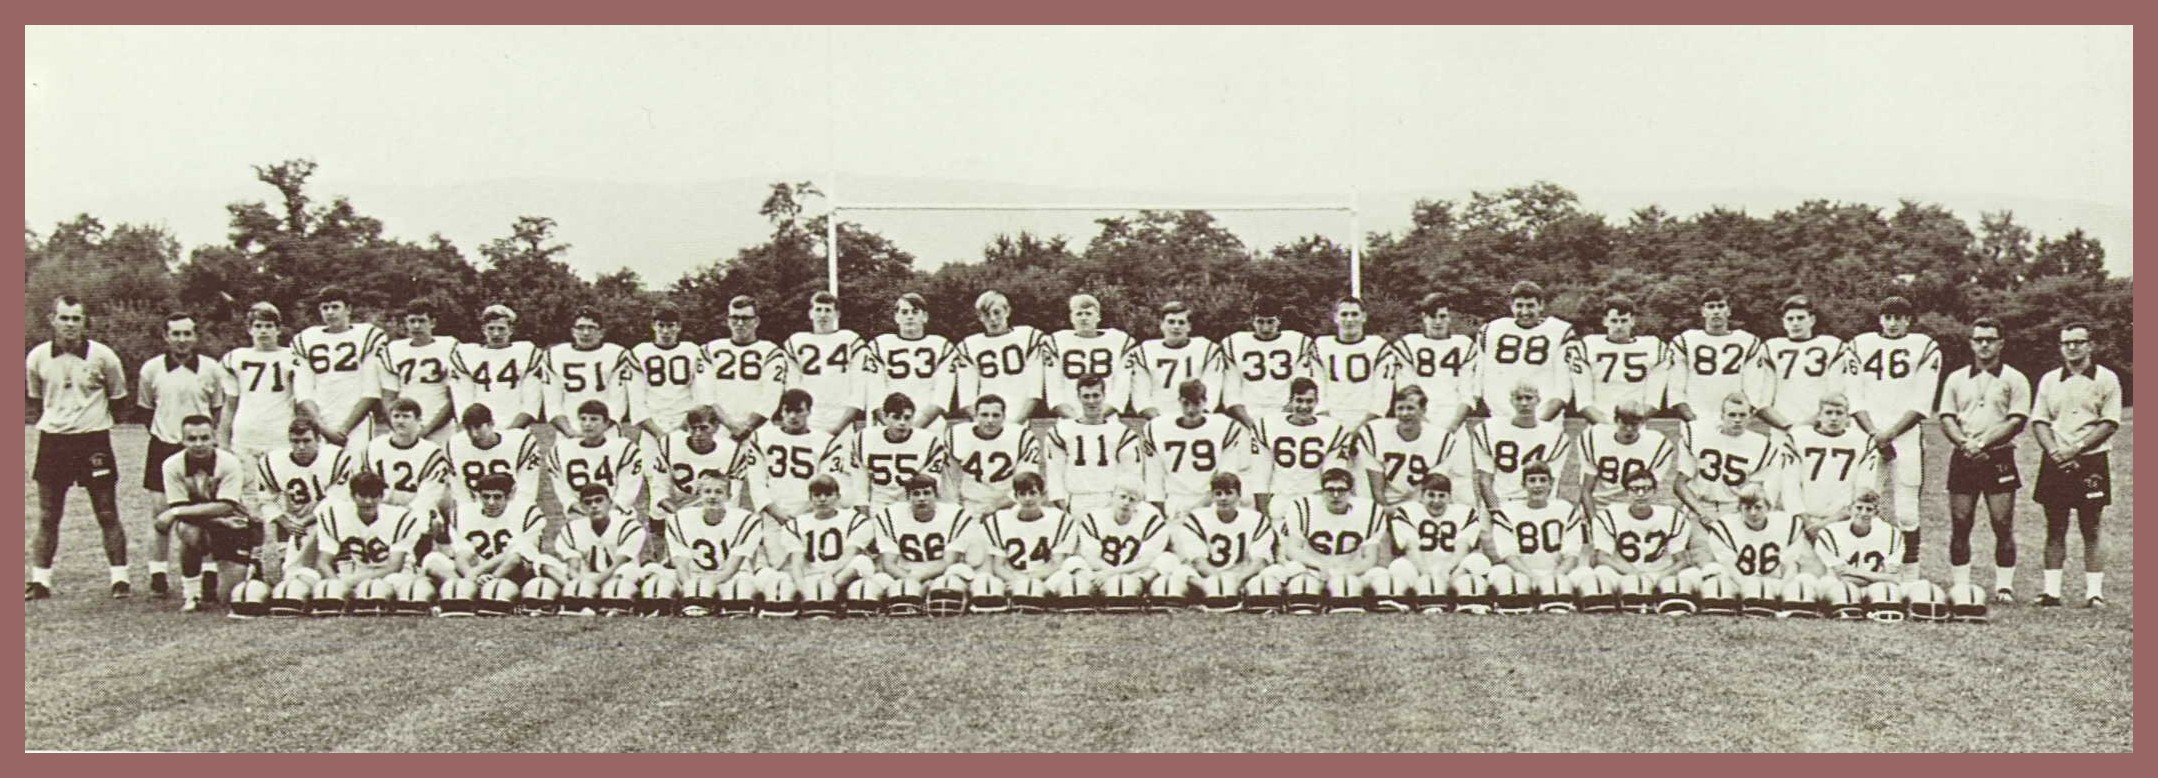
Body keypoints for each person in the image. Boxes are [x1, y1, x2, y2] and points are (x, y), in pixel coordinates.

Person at [26, 295, 133, 600]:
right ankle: (40, 581)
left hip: (92, 440)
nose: (70, 324)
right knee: (49, 515)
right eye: (64, 318)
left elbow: (118, 399)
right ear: (52, 320)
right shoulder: (37, 357)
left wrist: (91, 421)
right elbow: (36, 400)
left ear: (85, 322)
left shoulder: (104, 356)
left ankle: (120, 579)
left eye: (76, 318)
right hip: (54, 441)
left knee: (107, 512)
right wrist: (60, 421)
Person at [1936, 317, 2032, 602]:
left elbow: (2017, 420)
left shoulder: (2015, 378)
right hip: (1964, 455)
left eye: (1990, 339)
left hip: (1998, 455)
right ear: (1971, 343)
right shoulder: (1956, 378)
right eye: (1979, 339)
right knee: (1961, 522)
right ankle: (1961, 584)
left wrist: (1982, 443)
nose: (1984, 344)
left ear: (2001, 343)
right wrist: (1965, 443)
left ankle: (2004, 587)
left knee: (2001, 522)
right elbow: (1946, 417)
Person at [2029, 320, 2123, 608]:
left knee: (2091, 526)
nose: (2072, 347)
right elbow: (2040, 420)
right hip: (2055, 459)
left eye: (2078, 342)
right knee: (2055, 527)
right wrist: (2055, 451)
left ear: (2090, 345)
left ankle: (2094, 593)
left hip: (2091, 460)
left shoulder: (2106, 379)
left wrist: (2077, 449)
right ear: (2060, 347)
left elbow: (2110, 422)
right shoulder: (2049, 380)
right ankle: (2051, 593)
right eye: (2066, 343)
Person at [1845, 295, 1942, 565]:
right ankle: (1862, 566)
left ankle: (1910, 573)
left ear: (1908, 320)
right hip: (1867, 434)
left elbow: (1922, 401)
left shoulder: (1924, 346)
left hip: (1906, 435)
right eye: (1888, 317)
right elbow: (1854, 397)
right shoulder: (1860, 344)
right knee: (1862, 505)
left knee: (1907, 512)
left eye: (1898, 317)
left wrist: (1889, 434)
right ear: (1880, 319)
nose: (1892, 323)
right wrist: (1875, 433)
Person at [137, 310, 226, 595]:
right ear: (166, 336)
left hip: (201, 446)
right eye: (175, 333)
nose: (182, 339)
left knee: (205, 513)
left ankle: (209, 572)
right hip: (164, 445)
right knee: (161, 512)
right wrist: (167, 433)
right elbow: (146, 409)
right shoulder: (151, 369)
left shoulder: (211, 368)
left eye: (187, 333)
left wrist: (204, 440)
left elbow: (217, 409)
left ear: (195, 336)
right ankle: (158, 575)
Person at [154, 415, 259, 614]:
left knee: (228, 598)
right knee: (188, 531)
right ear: (182, 441)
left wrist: (173, 512)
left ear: (214, 438)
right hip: (211, 523)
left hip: (233, 525)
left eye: (204, 438)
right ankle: (192, 594)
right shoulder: (171, 465)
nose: (198, 444)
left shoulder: (229, 462)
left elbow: (226, 506)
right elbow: (183, 510)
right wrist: (213, 518)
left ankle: (251, 569)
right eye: (191, 439)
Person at [291, 471, 428, 615]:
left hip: (390, 577)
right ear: (352, 496)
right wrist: (337, 583)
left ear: (382, 496)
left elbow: (393, 567)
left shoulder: (401, 518)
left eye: (374, 496)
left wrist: (349, 583)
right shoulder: (335, 515)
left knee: (395, 588)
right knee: (305, 579)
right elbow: (323, 562)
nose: (368, 501)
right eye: (362, 495)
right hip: (352, 573)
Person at [421, 473, 546, 615]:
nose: (491, 502)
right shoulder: (463, 513)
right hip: (476, 571)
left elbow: (514, 557)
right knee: (433, 560)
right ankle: (467, 591)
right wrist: (471, 576)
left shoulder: (527, 513)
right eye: (486, 497)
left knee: (517, 558)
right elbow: (463, 555)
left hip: (511, 571)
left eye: (497, 497)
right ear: (478, 495)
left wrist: (479, 575)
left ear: (509, 495)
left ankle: (468, 593)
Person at [252, 417, 355, 583]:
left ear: (318, 439)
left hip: (331, 521)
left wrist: (306, 521)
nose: (301, 447)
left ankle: (339, 564)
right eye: (295, 441)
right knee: (293, 579)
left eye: (307, 441)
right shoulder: (273, 462)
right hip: (296, 521)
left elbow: (337, 500)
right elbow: (270, 499)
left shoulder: (336, 458)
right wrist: (285, 520)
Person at [1276, 468, 1392, 613]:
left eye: (1341, 490)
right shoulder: (1304, 508)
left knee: (1381, 574)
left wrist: (1345, 571)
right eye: (1330, 490)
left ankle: (1358, 597)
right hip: (1313, 567)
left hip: (1351, 568)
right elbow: (1292, 549)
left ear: (1351, 492)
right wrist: (1319, 565)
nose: (1336, 495)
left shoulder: (1369, 511)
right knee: (1290, 569)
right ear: (1322, 491)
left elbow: (1370, 558)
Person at [1701, 484, 1827, 616]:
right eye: (1747, 508)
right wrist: (1747, 588)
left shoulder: (1785, 524)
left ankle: (1789, 603)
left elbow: (1791, 565)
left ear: (1768, 507)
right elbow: (1729, 566)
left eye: (1758, 507)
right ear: (1739, 509)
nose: (1753, 513)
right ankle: (1725, 603)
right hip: (1741, 582)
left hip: (1776, 582)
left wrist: (1782, 588)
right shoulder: (1726, 526)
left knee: (1806, 578)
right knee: (1712, 570)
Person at [1165, 472, 1284, 612]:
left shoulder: (1255, 519)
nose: (1223, 498)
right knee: (1179, 570)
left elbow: (1260, 560)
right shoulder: (1198, 518)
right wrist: (1218, 579)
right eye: (1218, 493)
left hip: (1242, 575)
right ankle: (1208, 592)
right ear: (1212, 496)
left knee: (1276, 570)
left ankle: (1241, 594)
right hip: (1208, 575)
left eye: (1229, 493)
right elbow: (1198, 561)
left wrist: (1238, 580)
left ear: (1239, 495)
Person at [661, 470, 774, 617]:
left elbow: (730, 570)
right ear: (700, 494)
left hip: (732, 577)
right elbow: (681, 565)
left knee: (739, 591)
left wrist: (704, 587)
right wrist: (691, 587)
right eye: (707, 491)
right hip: (693, 576)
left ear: (729, 496)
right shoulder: (681, 519)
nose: (712, 496)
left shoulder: (745, 520)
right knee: (658, 584)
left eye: (719, 492)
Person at [1482, 460, 1590, 612]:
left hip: (1558, 571)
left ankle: (1557, 595)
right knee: (1499, 572)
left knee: (1586, 573)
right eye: (1532, 480)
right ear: (1523, 485)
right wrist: (1533, 577)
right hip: (1521, 572)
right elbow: (1509, 556)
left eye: (1543, 480)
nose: (1538, 485)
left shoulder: (1565, 509)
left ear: (1551, 484)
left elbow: (1572, 555)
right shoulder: (1508, 511)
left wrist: (1552, 577)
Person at [1584, 470, 1700, 608]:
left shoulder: (1671, 516)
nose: (1640, 494)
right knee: (1602, 572)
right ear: (1627, 492)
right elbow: (1602, 557)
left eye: (1646, 488)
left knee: (1693, 574)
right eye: (1635, 489)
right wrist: (1634, 573)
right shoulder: (1609, 515)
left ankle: (1671, 597)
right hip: (1624, 572)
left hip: (1661, 572)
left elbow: (1681, 560)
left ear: (1654, 491)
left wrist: (1659, 576)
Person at [539, 483, 659, 616]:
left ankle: (581, 596)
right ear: (582, 507)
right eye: (588, 502)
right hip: (587, 575)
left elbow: (617, 565)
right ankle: (579, 594)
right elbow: (573, 567)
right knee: (544, 562)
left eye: (599, 500)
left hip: (619, 575)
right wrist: (579, 582)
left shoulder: (629, 526)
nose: (594, 506)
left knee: (629, 569)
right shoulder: (572, 529)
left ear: (610, 502)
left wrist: (590, 584)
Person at [972, 471, 1084, 613]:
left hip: (1047, 576)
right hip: (1013, 576)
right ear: (1015, 496)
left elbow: (1056, 563)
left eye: (1033, 493)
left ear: (1042, 495)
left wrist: (1030, 579)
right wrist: (1017, 580)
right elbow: (998, 565)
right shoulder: (1001, 520)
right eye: (1022, 494)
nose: (1028, 498)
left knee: (1070, 572)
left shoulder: (1059, 520)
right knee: (985, 579)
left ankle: (1045, 596)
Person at [291, 286, 389, 447]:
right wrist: (322, 427)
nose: (330, 312)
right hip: (321, 421)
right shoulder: (307, 338)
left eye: (335, 307)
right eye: (325, 308)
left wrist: (344, 429)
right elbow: (303, 392)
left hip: (357, 422)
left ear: (348, 309)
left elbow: (371, 391)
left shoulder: (367, 336)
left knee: (358, 462)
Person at [865, 474, 977, 616]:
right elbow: (889, 563)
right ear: (908, 498)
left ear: (936, 496)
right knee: (876, 583)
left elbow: (949, 561)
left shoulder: (955, 514)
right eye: (916, 494)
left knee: (955, 575)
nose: (922, 498)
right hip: (905, 571)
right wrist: (912, 580)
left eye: (927, 493)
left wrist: (917, 579)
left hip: (941, 571)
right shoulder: (891, 516)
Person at [1143, 379, 1254, 518]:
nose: (1190, 409)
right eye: (1186, 403)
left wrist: (1201, 508)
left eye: (1196, 403)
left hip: (1212, 501)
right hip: (1175, 502)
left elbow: (1225, 477)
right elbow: (1154, 480)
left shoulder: (1224, 427)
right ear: (1179, 401)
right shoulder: (1158, 429)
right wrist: (1160, 515)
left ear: (1205, 401)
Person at [772, 474, 878, 617]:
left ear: (838, 496)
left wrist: (830, 575)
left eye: (828, 494)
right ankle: (817, 597)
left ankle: (831, 594)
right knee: (778, 574)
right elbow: (797, 562)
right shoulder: (796, 524)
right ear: (810, 498)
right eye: (817, 495)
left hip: (840, 575)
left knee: (862, 561)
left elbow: (850, 553)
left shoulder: (855, 520)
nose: (822, 499)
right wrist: (801, 586)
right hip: (812, 574)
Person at [1667, 288, 1776, 426]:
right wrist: (1693, 421)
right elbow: (1675, 390)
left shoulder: (1747, 341)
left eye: (1721, 306)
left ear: (1729, 311)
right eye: (1711, 307)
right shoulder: (1685, 341)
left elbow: (1753, 390)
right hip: (1696, 416)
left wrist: (1737, 418)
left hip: (1733, 419)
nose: (1716, 311)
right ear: (1703, 311)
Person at [1781, 393, 1883, 537]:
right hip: (1803, 519)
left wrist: (1826, 523)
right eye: (1828, 413)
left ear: (1848, 417)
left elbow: (1863, 490)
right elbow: (1790, 486)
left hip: (1843, 520)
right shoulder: (1798, 438)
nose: (1834, 418)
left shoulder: (1862, 441)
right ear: (1819, 416)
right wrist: (1806, 522)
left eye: (1839, 413)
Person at [1383, 472, 1490, 610]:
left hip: (1453, 570)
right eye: (1431, 495)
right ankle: (1419, 594)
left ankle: (1459, 594)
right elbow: (1411, 548)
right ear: (1422, 496)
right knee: (1399, 565)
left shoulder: (1464, 512)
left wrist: (1447, 572)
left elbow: (1462, 548)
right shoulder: (1408, 511)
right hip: (1420, 567)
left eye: (1442, 496)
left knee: (1479, 560)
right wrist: (1425, 573)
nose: (1436, 501)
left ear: (1449, 497)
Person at [1248, 377, 1354, 516]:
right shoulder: (1267, 426)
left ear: (1317, 402)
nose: (1304, 406)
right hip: (1280, 500)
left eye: (1309, 401)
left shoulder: (1333, 429)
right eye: (1299, 400)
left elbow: (1332, 477)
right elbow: (1260, 478)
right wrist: (1264, 515)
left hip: (1314, 500)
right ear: (1290, 401)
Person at [1471, 281, 1573, 422]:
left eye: (1530, 306)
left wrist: (1538, 423)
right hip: (1501, 417)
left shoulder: (1559, 331)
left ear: (1541, 305)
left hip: (1545, 419)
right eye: (1519, 305)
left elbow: (1563, 389)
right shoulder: (1492, 330)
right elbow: (1481, 378)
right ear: (1511, 306)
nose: (1524, 312)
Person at [744, 389, 850, 524]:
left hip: (812, 514)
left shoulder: (825, 442)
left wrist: (804, 514)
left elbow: (827, 485)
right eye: (788, 411)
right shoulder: (762, 437)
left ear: (809, 411)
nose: (793, 416)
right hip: (773, 513)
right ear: (781, 411)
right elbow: (756, 482)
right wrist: (775, 512)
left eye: (799, 411)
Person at [1042, 375, 1141, 517]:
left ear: (1104, 396)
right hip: (1076, 500)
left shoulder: (1121, 432)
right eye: (1086, 396)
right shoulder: (1062, 431)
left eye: (1096, 395)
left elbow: (1131, 475)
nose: (1091, 401)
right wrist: (1064, 507)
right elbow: (1055, 474)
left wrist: (1119, 504)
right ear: (1078, 397)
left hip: (1109, 500)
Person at [1069, 482, 1177, 612]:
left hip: (1135, 573)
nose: (1126, 502)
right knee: (1073, 561)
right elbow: (1090, 556)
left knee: (1168, 559)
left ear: (1139, 503)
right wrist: (1106, 572)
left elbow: (1147, 559)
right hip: (1101, 571)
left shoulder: (1151, 520)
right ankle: (1092, 589)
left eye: (1132, 499)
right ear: (1112, 496)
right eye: (1122, 496)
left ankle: (1142, 586)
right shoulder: (1094, 518)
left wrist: (1113, 572)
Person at [1469, 381, 1574, 513]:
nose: (1524, 403)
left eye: (1529, 398)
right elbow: (1485, 481)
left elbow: (1551, 483)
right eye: (1519, 398)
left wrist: (1536, 511)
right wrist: (1496, 511)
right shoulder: (1489, 429)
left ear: (1538, 400)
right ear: (1511, 401)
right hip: (1500, 501)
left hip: (1535, 503)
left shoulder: (1555, 435)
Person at [1357, 386, 1471, 508]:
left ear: (1423, 410)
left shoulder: (1440, 439)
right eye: (1400, 408)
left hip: (1421, 503)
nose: (1404, 414)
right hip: (1385, 501)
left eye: (1410, 408)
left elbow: (1432, 483)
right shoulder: (1377, 433)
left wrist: (1407, 511)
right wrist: (1385, 510)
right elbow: (1377, 490)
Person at [1675, 393, 1781, 523]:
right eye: (1732, 415)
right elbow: (1680, 484)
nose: (1737, 420)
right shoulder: (1699, 435)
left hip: (1735, 510)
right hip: (1697, 505)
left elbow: (1756, 493)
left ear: (1751, 417)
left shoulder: (1761, 446)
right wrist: (1701, 512)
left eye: (1742, 415)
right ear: (1722, 416)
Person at [217, 302, 301, 464]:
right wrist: (223, 443)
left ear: (278, 329)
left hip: (280, 434)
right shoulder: (236, 358)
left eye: (269, 326)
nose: (263, 331)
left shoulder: (292, 357)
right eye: (258, 326)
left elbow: (301, 403)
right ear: (249, 329)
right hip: (245, 435)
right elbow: (230, 405)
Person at [1812, 490, 1915, 617]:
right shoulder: (1831, 532)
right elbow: (1842, 577)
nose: (1863, 513)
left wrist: (1852, 571)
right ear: (1850, 509)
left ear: (1876, 513)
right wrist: (1880, 577)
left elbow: (1894, 578)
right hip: (1841, 588)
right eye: (1859, 508)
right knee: (1825, 583)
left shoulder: (1891, 533)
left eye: (1869, 509)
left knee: (1908, 588)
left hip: (1877, 590)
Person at [862, 293, 959, 429]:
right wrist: (892, 424)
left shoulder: (942, 346)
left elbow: (941, 396)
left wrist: (915, 427)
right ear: (896, 317)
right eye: (904, 312)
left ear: (925, 317)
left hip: (929, 423)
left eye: (915, 312)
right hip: (889, 422)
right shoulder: (879, 345)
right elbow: (875, 392)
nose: (909, 316)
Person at [698, 295, 789, 439]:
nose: (740, 323)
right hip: (719, 429)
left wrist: (748, 427)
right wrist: (731, 426)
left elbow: (771, 397)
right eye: (734, 318)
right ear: (728, 320)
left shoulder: (771, 352)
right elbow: (706, 395)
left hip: (758, 430)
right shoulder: (710, 349)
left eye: (746, 318)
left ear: (756, 321)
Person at [1386, 293, 1478, 434]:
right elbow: (1407, 390)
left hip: (1453, 415)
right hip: (1419, 415)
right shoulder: (1408, 344)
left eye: (1442, 316)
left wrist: (1453, 427)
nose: (1438, 322)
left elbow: (1467, 394)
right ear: (1424, 317)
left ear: (1449, 317)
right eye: (1432, 316)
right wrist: (1427, 427)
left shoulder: (1464, 345)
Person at [1572, 294, 1669, 427]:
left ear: (1632, 321)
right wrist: (1609, 426)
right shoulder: (1588, 346)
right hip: (1599, 425)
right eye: (1614, 321)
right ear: (1605, 321)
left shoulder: (1653, 346)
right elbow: (1584, 402)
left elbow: (1653, 401)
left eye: (1624, 321)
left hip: (1635, 427)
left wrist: (1629, 425)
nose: (1619, 326)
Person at [1760, 294, 1850, 435]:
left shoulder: (1831, 345)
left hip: (1823, 426)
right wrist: (1788, 426)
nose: (1795, 323)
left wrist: (1811, 423)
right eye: (1790, 319)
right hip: (1784, 426)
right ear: (1783, 322)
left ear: (1812, 320)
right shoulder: (1771, 348)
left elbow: (1835, 394)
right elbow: (1763, 400)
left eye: (1801, 318)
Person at [1300, 296, 1393, 430]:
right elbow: (1316, 388)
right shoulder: (1321, 346)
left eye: (1354, 314)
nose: (1349, 320)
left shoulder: (1378, 346)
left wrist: (1363, 427)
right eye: (1344, 314)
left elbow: (1383, 394)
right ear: (1335, 317)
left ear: (1364, 317)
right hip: (1329, 420)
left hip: (1368, 420)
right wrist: (1328, 424)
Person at [625, 306, 712, 450]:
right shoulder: (640, 352)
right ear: (653, 326)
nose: (665, 331)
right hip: (652, 424)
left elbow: (701, 396)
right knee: (650, 464)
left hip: (686, 424)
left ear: (679, 327)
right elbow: (636, 402)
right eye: (661, 325)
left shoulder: (693, 351)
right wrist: (659, 434)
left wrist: (683, 428)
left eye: (670, 326)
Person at [1220, 297, 1314, 431]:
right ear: (1252, 320)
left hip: (1287, 414)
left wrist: (1281, 420)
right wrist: (1252, 425)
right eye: (1260, 321)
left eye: (1270, 321)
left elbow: (1301, 388)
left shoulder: (1298, 342)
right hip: (1248, 415)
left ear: (1279, 320)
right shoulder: (1234, 343)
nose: (1265, 328)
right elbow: (1231, 394)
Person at [956, 290, 1050, 423]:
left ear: (1007, 311)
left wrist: (1018, 422)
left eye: (997, 312)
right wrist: (984, 422)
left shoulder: (1028, 336)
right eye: (986, 314)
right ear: (979, 317)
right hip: (986, 416)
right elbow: (967, 397)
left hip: (1020, 413)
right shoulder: (968, 346)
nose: (993, 319)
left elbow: (1035, 391)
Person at [783, 291, 869, 435]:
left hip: (841, 413)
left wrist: (841, 425)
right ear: (810, 313)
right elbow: (792, 388)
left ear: (837, 314)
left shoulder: (850, 339)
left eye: (828, 310)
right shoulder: (796, 341)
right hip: (808, 414)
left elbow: (859, 388)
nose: (823, 315)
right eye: (818, 309)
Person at [448, 304, 543, 433]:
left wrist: (510, 432)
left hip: (516, 428)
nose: (496, 333)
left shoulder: (526, 353)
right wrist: (478, 430)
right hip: (480, 429)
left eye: (501, 328)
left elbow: (531, 403)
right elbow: (463, 402)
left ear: (511, 329)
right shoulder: (468, 355)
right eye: (491, 328)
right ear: (483, 329)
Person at [943, 394, 1042, 517]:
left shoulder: (1022, 436)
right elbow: (950, 480)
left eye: (996, 415)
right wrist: (954, 508)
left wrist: (996, 506)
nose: (990, 420)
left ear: (1004, 417)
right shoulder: (957, 435)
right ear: (976, 416)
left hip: (1010, 505)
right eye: (984, 415)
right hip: (970, 504)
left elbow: (1027, 482)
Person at [1574, 400, 1676, 517]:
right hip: (1598, 505)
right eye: (1624, 423)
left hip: (1630, 509)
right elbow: (1587, 490)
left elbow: (1647, 492)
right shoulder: (1595, 437)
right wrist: (1595, 521)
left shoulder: (1657, 444)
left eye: (1634, 424)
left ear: (1642, 422)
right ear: (1615, 420)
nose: (1629, 429)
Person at [1047, 293, 1139, 419]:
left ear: (1098, 317)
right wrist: (1074, 419)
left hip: (1107, 417)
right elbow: (1054, 389)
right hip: (1069, 416)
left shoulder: (1118, 341)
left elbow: (1121, 389)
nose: (1084, 318)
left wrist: (1098, 417)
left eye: (1088, 314)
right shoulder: (1057, 341)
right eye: (1079, 314)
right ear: (1071, 318)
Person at [544, 307, 631, 438]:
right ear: (573, 331)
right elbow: (552, 403)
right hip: (569, 429)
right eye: (580, 328)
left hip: (607, 430)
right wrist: (569, 431)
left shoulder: (616, 354)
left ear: (601, 332)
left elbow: (618, 402)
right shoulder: (555, 355)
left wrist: (598, 431)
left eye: (592, 328)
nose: (585, 333)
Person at [549, 399, 647, 516]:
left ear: (606, 424)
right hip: (580, 516)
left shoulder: (624, 449)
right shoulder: (561, 450)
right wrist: (581, 510)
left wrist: (606, 513)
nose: (587, 424)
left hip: (618, 515)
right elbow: (563, 492)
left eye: (594, 419)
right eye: (583, 419)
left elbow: (627, 493)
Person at [852, 393, 948, 511]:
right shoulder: (864, 439)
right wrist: (863, 509)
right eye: (896, 417)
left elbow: (928, 485)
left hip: (912, 503)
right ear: (885, 417)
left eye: (907, 418)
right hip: (878, 501)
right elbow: (860, 484)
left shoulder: (928, 441)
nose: (902, 422)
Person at [1133, 300, 1227, 421]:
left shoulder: (1206, 349)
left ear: (1189, 327)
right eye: (1171, 322)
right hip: (1158, 418)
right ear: (1161, 324)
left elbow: (1212, 389)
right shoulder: (1145, 351)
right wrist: (1158, 420)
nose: (1176, 326)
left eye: (1181, 322)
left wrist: (1196, 418)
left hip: (1196, 418)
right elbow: (1141, 395)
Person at [381, 300, 458, 444]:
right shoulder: (394, 349)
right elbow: (388, 397)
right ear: (406, 322)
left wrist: (427, 429)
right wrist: (398, 425)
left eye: (422, 321)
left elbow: (454, 397)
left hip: (440, 426)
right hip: (404, 424)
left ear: (433, 323)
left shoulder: (449, 346)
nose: (416, 326)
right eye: (412, 321)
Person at [651, 406, 746, 516]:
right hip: (676, 509)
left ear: (716, 427)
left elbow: (732, 499)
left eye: (704, 428)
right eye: (693, 428)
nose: (698, 434)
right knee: (657, 513)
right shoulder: (669, 444)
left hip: (715, 510)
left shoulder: (732, 451)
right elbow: (659, 489)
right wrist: (679, 515)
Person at [444, 404, 545, 508]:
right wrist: (470, 512)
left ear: (491, 424)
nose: (473, 434)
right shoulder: (454, 446)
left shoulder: (520, 443)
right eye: (468, 428)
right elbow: (460, 494)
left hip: (513, 507)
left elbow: (526, 491)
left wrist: (516, 512)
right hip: (476, 509)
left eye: (478, 427)